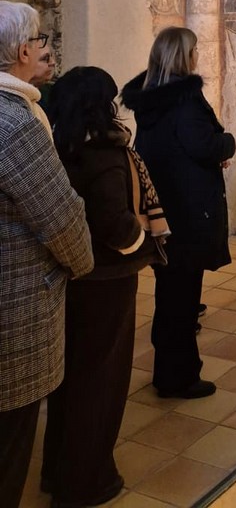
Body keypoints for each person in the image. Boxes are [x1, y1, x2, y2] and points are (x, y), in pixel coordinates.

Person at [42, 66, 167, 508]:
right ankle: (87, 481)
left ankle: (58, 471)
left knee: (71, 377)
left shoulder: (61, 146)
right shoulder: (105, 153)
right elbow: (115, 222)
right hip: (107, 280)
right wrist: (140, 241)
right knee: (101, 381)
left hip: (72, 277)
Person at [0, 1, 93, 508]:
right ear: (21, 51)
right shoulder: (13, 124)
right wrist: (82, 263)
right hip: (13, 314)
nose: (43, 47)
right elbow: (61, 218)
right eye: (38, 40)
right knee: (9, 454)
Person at [122, 27, 236, 399]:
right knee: (182, 300)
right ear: (183, 56)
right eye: (194, 50)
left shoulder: (153, 99)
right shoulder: (184, 99)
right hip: (188, 211)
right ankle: (179, 378)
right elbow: (202, 145)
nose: (197, 55)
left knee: (171, 295)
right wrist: (227, 143)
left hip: (165, 207)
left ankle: (168, 371)